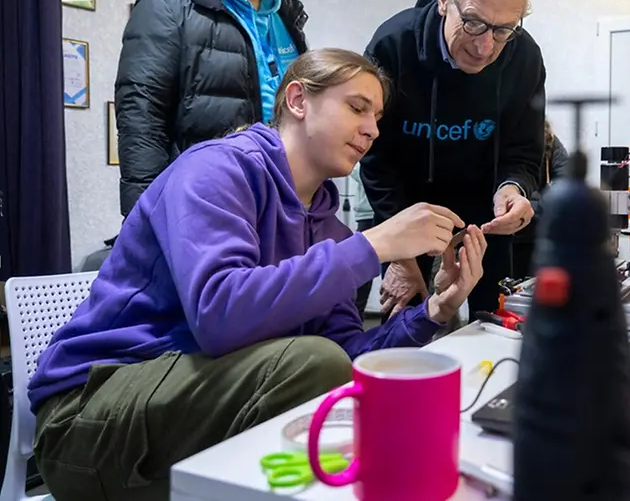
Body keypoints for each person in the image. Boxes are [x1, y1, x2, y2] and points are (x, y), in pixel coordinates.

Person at [28, 49, 487, 501]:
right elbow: (219, 316)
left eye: (378, 117)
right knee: (315, 367)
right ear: (298, 100)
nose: (372, 129)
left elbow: (347, 359)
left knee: (333, 381)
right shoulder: (215, 170)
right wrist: (374, 246)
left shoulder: (331, 229)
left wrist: (434, 310)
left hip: (191, 410)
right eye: (356, 107)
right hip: (87, 419)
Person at [360, 0, 546, 319]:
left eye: (503, 29)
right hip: (405, 208)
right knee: (403, 324)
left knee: (491, 324)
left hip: (483, 219)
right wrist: (402, 256)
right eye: (474, 22)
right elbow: (375, 156)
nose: (484, 46)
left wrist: (513, 188)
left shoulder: (524, 58)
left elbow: (523, 150)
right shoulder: (394, 45)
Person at [115, 0, 309, 217]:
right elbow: (141, 114)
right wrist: (147, 219)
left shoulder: (287, 16)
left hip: (277, 201)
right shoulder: (169, 2)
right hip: (201, 203)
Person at [511, 120, 570, 279]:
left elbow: (565, 182)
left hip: (531, 232)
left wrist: (534, 205)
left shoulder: (549, 140)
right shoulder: (502, 138)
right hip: (509, 232)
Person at [349, 163, 377, 318]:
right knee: (362, 271)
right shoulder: (366, 149)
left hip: (395, 213)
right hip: (367, 214)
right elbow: (355, 170)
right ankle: (354, 317)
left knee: (398, 271)